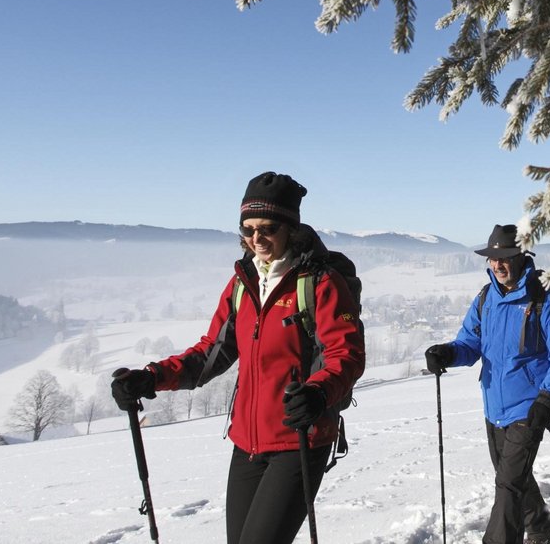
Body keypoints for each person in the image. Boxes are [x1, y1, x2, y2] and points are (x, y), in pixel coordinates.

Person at [110, 171, 364, 544]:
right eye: (247, 229)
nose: (256, 238)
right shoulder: (243, 283)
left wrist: (318, 392)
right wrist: (152, 377)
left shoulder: (320, 282)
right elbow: (211, 352)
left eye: (267, 228)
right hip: (247, 442)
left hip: (300, 437)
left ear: (290, 229)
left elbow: (347, 355)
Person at [425, 224, 550, 544]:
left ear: (522, 257)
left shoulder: (543, 300)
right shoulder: (485, 299)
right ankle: (540, 526)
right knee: (512, 477)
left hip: (529, 407)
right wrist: (447, 353)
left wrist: (547, 399)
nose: (498, 264)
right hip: (494, 406)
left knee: (508, 486)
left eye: (505, 257)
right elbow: (469, 345)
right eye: (493, 258)